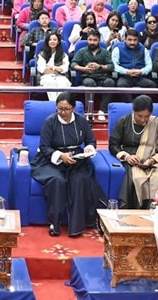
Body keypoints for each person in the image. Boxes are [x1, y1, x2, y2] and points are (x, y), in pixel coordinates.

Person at [32, 92, 104, 237]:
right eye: (60, 109)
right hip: (51, 159)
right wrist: (60, 156)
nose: (63, 112)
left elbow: (91, 141)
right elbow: (44, 147)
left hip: (75, 159)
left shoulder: (81, 121)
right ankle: (55, 223)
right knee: (57, 181)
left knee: (79, 180)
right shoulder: (49, 122)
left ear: (74, 108)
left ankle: (77, 226)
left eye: (67, 109)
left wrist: (89, 149)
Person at [108, 95, 158, 209]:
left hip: (153, 159)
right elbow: (113, 145)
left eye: (147, 116)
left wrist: (151, 160)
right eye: (140, 116)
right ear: (133, 111)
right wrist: (126, 156)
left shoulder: (156, 123)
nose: (143, 119)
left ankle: (157, 212)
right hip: (131, 160)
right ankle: (137, 213)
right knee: (137, 179)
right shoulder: (123, 122)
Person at [37, 31, 70, 102]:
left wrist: (53, 68)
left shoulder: (63, 55)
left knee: (63, 83)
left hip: (61, 76)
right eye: (50, 40)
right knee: (51, 83)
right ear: (47, 42)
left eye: (55, 40)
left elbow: (65, 69)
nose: (52, 41)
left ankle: (61, 103)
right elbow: (42, 69)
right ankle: (53, 104)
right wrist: (58, 69)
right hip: (46, 77)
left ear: (58, 42)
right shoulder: (42, 54)